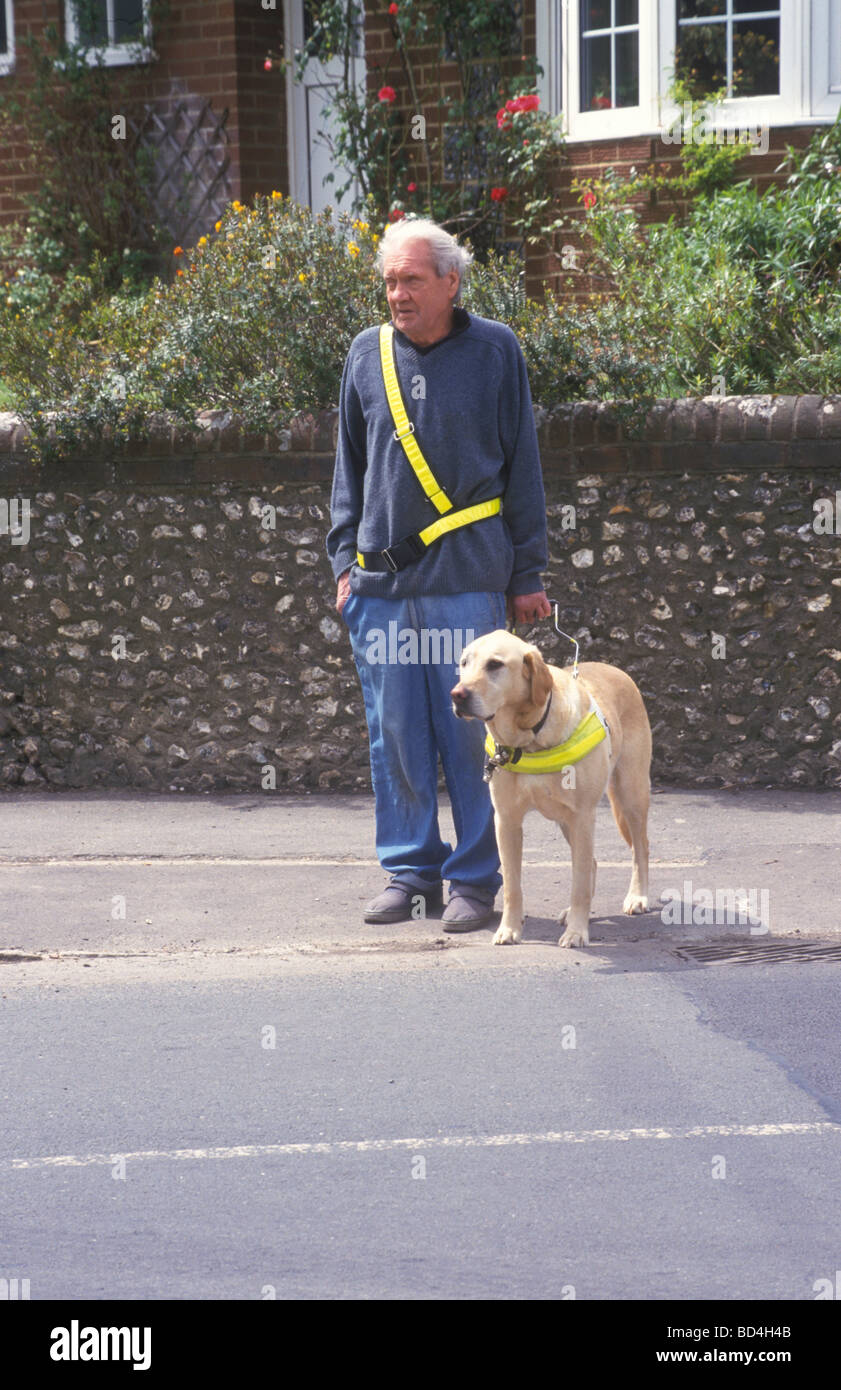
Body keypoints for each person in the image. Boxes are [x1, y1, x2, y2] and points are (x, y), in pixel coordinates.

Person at [326, 216, 550, 929]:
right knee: (394, 733)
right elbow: (348, 469)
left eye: (412, 280)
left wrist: (528, 571)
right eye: (390, 280)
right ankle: (409, 872)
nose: (398, 293)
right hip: (381, 587)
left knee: (472, 737)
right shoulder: (366, 354)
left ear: (451, 282)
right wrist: (341, 562)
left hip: (467, 579)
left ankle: (475, 883)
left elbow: (523, 468)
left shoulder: (494, 351)